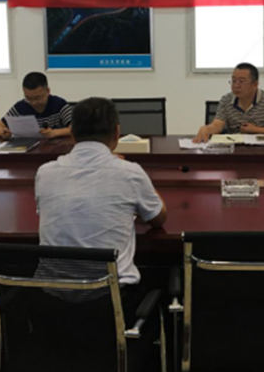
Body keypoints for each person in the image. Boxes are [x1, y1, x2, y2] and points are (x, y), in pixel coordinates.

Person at [35, 97, 167, 288]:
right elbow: (158, 218)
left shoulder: (45, 172)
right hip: (111, 296)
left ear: (72, 132)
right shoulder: (130, 173)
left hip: (52, 294)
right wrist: (138, 176)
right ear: (117, 132)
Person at [194, 62, 264, 143]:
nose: (236, 85)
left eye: (241, 81)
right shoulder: (226, 100)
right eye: (234, 81)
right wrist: (206, 128)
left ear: (255, 84)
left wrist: (256, 130)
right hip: (234, 150)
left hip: (262, 152)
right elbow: (217, 125)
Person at [0, 72, 73, 139]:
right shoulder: (20, 107)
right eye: (28, 98)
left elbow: (75, 128)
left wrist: (55, 133)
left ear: (48, 91)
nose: (33, 102)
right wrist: (3, 132)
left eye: (38, 98)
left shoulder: (59, 104)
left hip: (56, 148)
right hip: (27, 149)